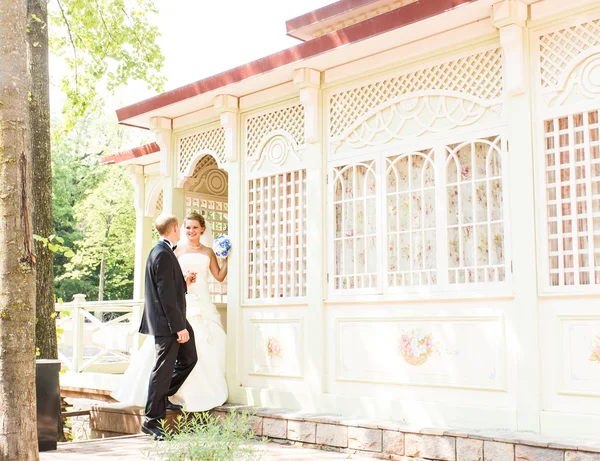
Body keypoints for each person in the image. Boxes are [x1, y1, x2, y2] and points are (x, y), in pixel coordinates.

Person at [112, 212, 228, 436]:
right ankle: (152, 419)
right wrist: (179, 327)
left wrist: (184, 283)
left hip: (176, 317)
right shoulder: (165, 253)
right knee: (162, 369)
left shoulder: (163, 251)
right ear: (176, 228)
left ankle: (163, 396)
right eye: (185, 227)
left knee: (189, 358)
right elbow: (165, 296)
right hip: (169, 322)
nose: (188, 231)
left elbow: (170, 289)